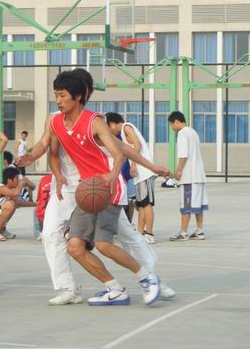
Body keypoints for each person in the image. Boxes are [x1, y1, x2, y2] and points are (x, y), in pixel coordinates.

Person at [18, 68, 174, 306]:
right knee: (60, 239)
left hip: (101, 186)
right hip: (74, 187)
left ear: (80, 94)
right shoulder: (55, 120)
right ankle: (77, 288)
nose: (58, 99)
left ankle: (150, 279)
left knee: (120, 238)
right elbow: (47, 148)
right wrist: (34, 159)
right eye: (56, 95)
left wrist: (149, 167)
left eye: (62, 95)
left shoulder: (94, 121)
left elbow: (121, 150)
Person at [106, 113, 157, 244]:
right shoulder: (123, 135)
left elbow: (137, 145)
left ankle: (149, 233)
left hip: (144, 172)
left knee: (147, 204)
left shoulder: (126, 127)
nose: (109, 132)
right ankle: (139, 233)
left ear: (112, 123)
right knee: (141, 204)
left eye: (108, 128)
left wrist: (133, 164)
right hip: (139, 175)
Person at [168, 111, 208, 241]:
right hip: (199, 175)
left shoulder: (182, 133)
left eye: (171, 125)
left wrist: (178, 171)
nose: (172, 128)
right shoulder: (193, 132)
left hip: (189, 176)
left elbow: (183, 155)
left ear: (176, 122)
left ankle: (183, 233)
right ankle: (199, 231)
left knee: (186, 205)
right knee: (198, 204)